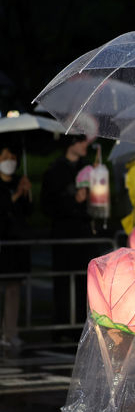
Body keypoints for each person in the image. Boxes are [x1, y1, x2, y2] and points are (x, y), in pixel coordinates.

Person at [41, 134, 94, 330]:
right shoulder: (55, 170)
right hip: (64, 233)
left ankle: (80, 324)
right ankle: (63, 324)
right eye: (80, 141)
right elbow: (47, 206)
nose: (84, 144)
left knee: (84, 280)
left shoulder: (88, 167)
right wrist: (73, 201)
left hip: (84, 231)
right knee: (64, 279)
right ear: (70, 143)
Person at [0, 142, 32, 353]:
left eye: (12, 158)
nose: (9, 162)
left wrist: (27, 193)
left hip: (16, 246)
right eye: (4, 158)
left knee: (13, 291)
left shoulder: (20, 182)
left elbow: (28, 212)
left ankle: (10, 332)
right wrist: (17, 195)